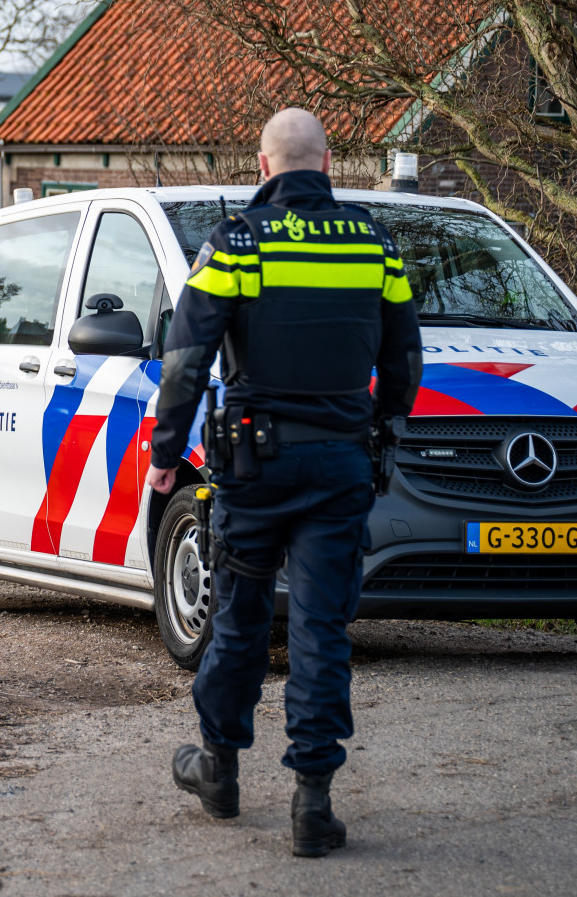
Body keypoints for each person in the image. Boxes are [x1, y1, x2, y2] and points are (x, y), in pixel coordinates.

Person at [145, 108, 422, 858]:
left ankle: (221, 771)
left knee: (238, 620)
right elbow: (404, 360)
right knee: (321, 628)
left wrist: (166, 452)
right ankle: (312, 801)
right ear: (326, 163)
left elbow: (186, 356)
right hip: (340, 465)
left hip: (253, 468)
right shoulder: (374, 246)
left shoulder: (238, 244)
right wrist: (385, 432)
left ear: (264, 167)